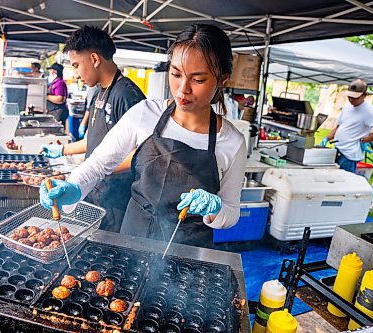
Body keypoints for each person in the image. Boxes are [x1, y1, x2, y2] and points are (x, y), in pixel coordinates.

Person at [40, 23, 246, 248]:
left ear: (223, 79)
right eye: (175, 74)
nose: (182, 89)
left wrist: (216, 209)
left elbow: (232, 212)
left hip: (189, 252)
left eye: (198, 80)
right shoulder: (145, 113)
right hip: (133, 239)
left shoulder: (232, 142)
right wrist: (74, 187)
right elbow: (98, 164)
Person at [40, 26, 146, 233]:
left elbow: (142, 153)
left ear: (95, 59)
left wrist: (98, 169)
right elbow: (92, 141)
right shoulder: (98, 93)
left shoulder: (127, 95)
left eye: (77, 65)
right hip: (96, 191)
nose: (76, 74)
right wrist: (62, 151)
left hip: (117, 199)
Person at [321, 79, 373, 173]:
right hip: (338, 150)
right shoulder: (347, 106)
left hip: (350, 155)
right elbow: (339, 127)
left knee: (344, 181)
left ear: (364, 95)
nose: (351, 99)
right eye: (349, 96)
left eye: (355, 97)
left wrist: (364, 140)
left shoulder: (369, 111)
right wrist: (326, 138)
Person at [46, 63, 69, 127]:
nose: (50, 72)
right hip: (53, 111)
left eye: (51, 70)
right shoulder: (54, 82)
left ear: (54, 71)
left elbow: (60, 99)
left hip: (58, 112)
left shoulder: (59, 83)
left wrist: (46, 97)